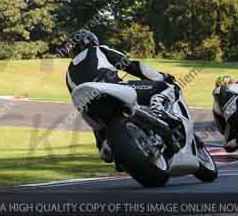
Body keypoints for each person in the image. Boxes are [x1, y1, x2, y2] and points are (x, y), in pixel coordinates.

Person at [64, 29, 179, 163]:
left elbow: (77, 97)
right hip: (114, 90)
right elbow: (131, 66)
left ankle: (105, 145)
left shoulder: (68, 73)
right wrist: (162, 76)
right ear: (92, 41)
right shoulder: (100, 50)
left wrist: (100, 140)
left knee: (98, 123)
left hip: (91, 109)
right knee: (165, 87)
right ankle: (158, 110)